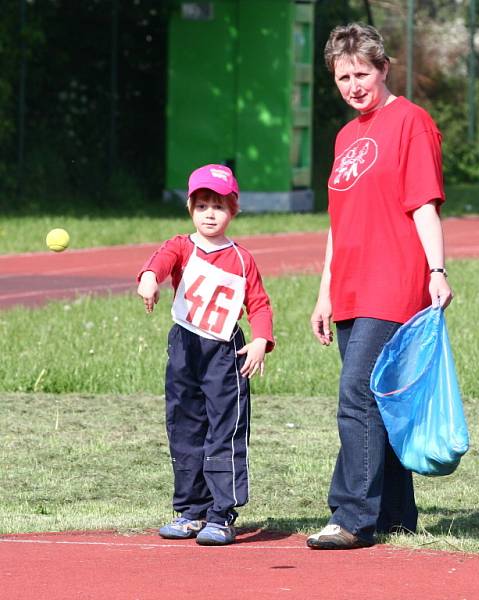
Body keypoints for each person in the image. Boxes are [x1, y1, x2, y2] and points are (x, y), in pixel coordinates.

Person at [306, 23, 452, 550]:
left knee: (357, 394)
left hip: (394, 282)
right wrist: (325, 291)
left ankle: (351, 515)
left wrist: (437, 270)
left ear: (383, 68)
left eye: (362, 73)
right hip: (350, 285)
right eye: (343, 77)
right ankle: (395, 514)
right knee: (382, 399)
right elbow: (337, 224)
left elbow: (423, 205)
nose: (353, 85)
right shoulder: (346, 135)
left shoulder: (411, 123)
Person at [136, 164, 275, 546]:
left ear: (234, 210)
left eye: (219, 205)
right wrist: (149, 279)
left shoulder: (242, 259)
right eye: (202, 206)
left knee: (224, 430)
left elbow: (259, 304)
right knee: (184, 426)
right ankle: (190, 510)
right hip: (184, 346)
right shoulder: (182, 245)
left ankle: (221, 514)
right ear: (190, 209)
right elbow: (159, 262)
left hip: (223, 352)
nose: (210, 213)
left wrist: (262, 340)